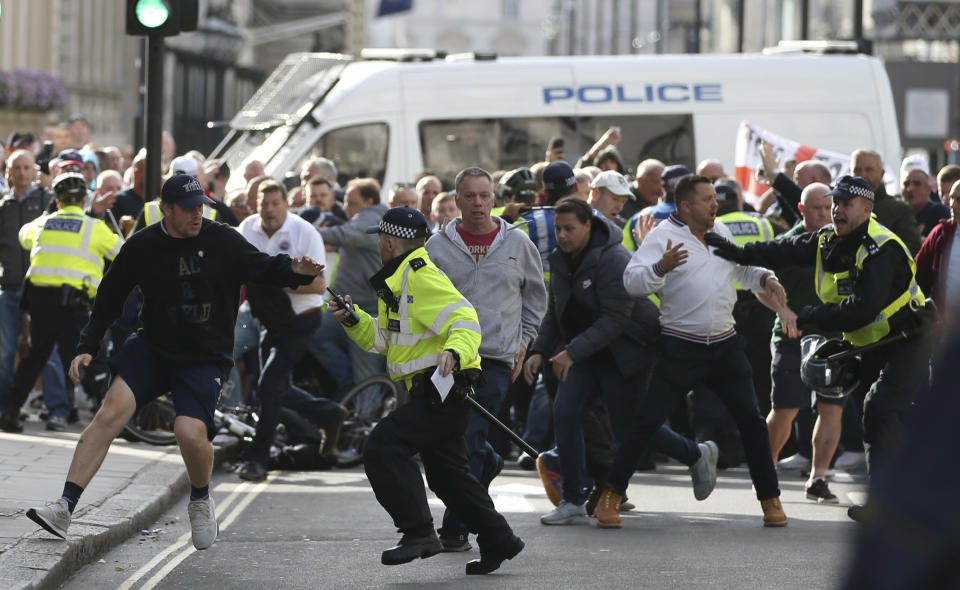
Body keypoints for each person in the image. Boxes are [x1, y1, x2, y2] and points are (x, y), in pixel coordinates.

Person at [22, 175, 324, 549]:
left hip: (203, 356)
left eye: (201, 206)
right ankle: (64, 507)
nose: (197, 214)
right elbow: (110, 296)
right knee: (109, 412)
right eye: (188, 208)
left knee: (188, 432)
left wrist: (296, 271)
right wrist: (88, 344)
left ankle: (200, 499)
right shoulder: (143, 245)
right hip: (152, 348)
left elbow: (262, 266)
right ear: (166, 209)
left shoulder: (222, 239)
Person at [708, 175, 933, 520]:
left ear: (867, 209)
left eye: (845, 204)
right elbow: (782, 250)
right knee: (885, 421)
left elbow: (862, 309)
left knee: (881, 410)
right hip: (872, 344)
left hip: (907, 340)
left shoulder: (881, 248)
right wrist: (736, 252)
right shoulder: (830, 238)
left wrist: (811, 314)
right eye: (835, 203)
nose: (837, 210)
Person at [328, 206, 524, 575]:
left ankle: (418, 533)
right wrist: (354, 320)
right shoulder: (399, 280)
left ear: (387, 242)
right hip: (431, 392)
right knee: (448, 477)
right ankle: (499, 538)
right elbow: (387, 341)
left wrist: (455, 351)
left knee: (383, 446)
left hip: (442, 391)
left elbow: (465, 318)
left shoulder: (419, 276)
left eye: (380, 241)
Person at [594, 174, 788, 529]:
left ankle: (770, 499)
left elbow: (743, 269)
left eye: (715, 198)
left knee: (752, 422)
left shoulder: (720, 234)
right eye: (707, 200)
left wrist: (766, 278)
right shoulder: (662, 236)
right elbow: (632, 282)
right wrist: (661, 266)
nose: (715, 205)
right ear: (685, 206)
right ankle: (611, 496)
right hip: (679, 347)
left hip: (725, 344)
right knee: (645, 424)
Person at [527, 197, 717, 525]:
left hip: (628, 350)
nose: (562, 235)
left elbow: (615, 320)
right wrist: (539, 350)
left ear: (588, 226)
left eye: (570, 228)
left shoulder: (613, 259)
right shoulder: (560, 259)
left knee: (631, 427)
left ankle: (697, 453)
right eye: (558, 229)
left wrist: (571, 351)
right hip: (588, 350)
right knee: (566, 411)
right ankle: (572, 500)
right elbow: (556, 314)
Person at [425, 167, 547, 550]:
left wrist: (524, 342)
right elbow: (422, 303)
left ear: (494, 199)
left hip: (495, 358)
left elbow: (535, 299)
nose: (477, 203)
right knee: (450, 442)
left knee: (467, 437)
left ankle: (456, 524)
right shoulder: (436, 247)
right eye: (469, 196)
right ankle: (490, 463)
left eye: (484, 195)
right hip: (447, 358)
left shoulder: (518, 244)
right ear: (456, 201)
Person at [236, 180, 343, 481]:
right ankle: (327, 414)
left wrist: (274, 280)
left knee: (269, 386)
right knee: (271, 385)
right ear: (255, 205)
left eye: (275, 203)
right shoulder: (247, 229)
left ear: (286, 204)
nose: (269, 210)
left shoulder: (304, 232)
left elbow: (321, 284)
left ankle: (258, 460)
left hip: (301, 319)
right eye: (263, 204)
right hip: (266, 319)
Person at [0, 173, 120, 432]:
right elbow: (121, 251)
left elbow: (23, 236)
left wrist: (49, 213)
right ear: (84, 198)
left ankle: (9, 414)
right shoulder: (94, 227)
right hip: (74, 307)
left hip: (40, 305)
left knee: (35, 359)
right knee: (89, 358)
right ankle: (115, 420)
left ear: (57, 200)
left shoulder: (42, 224)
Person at [761, 182, 846, 503]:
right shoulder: (787, 243)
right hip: (791, 337)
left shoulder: (846, 242)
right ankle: (765, 472)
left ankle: (818, 478)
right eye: (817, 209)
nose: (825, 214)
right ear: (801, 210)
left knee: (831, 407)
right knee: (786, 408)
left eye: (829, 208)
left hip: (834, 339)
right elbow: (759, 285)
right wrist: (783, 310)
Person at [915, 179, 960, 319]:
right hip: (944, 332)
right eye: (951, 198)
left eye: (959, 200)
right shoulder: (940, 233)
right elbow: (917, 278)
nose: (952, 205)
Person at [901, 166, 948, 238]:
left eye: (917, 184)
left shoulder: (940, 213)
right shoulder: (898, 214)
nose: (910, 189)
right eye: (906, 184)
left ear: (928, 189)